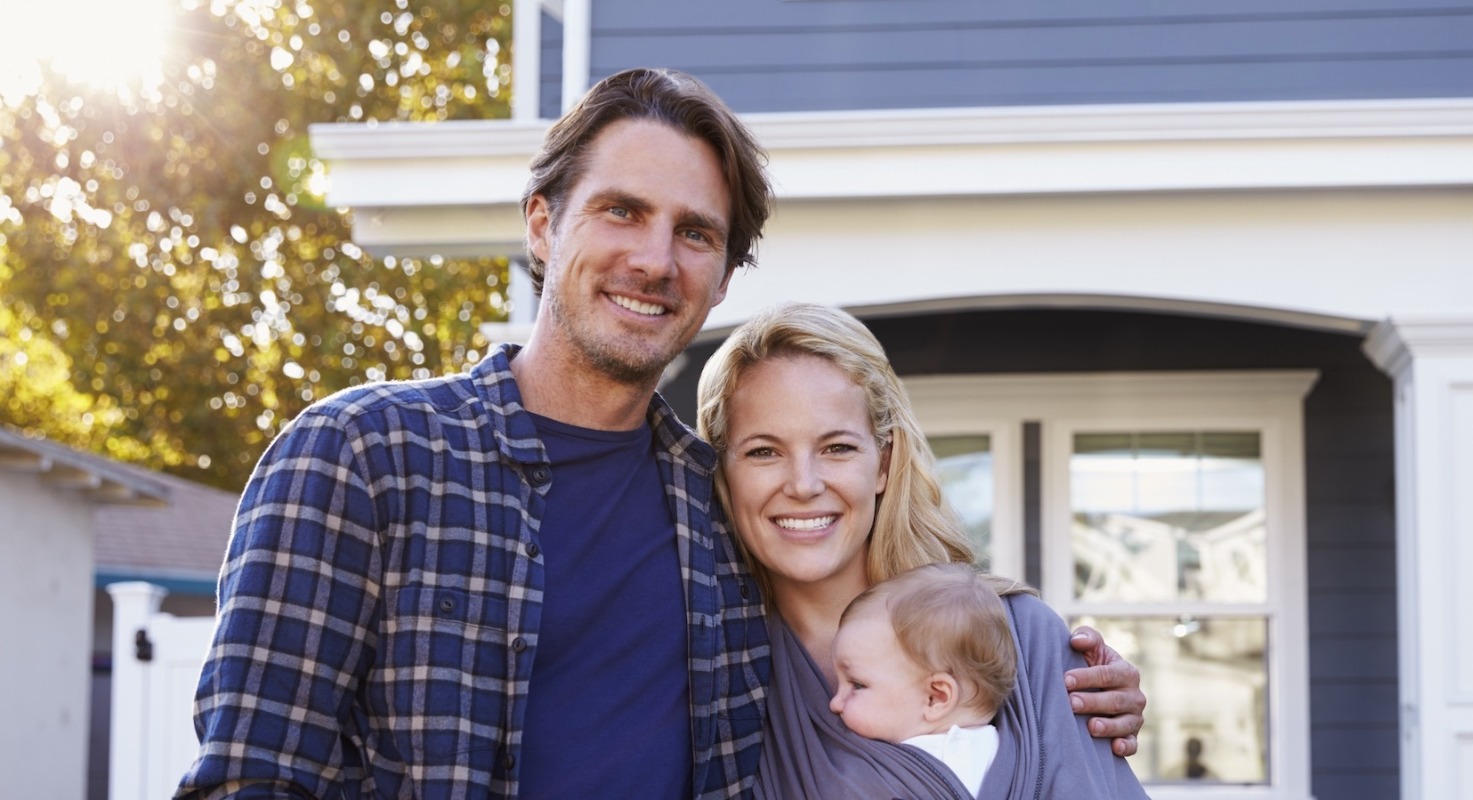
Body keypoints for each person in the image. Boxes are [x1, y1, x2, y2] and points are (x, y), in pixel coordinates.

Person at [178, 67, 1141, 799]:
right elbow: (250, 777)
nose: (653, 258)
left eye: (695, 232)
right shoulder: (363, 457)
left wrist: (1057, 661)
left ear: (723, 275)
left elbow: (886, 633)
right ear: (543, 224)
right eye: (621, 211)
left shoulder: (714, 503)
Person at [698, 301, 1150, 799]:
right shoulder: (706, 669)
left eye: (838, 448)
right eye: (764, 451)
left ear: (884, 463)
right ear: (723, 473)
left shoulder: (1023, 637)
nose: (804, 485)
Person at [829, 563, 1028, 797]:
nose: (835, 704)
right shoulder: (1016, 752)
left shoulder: (894, 777)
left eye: (857, 685)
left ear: (936, 697)